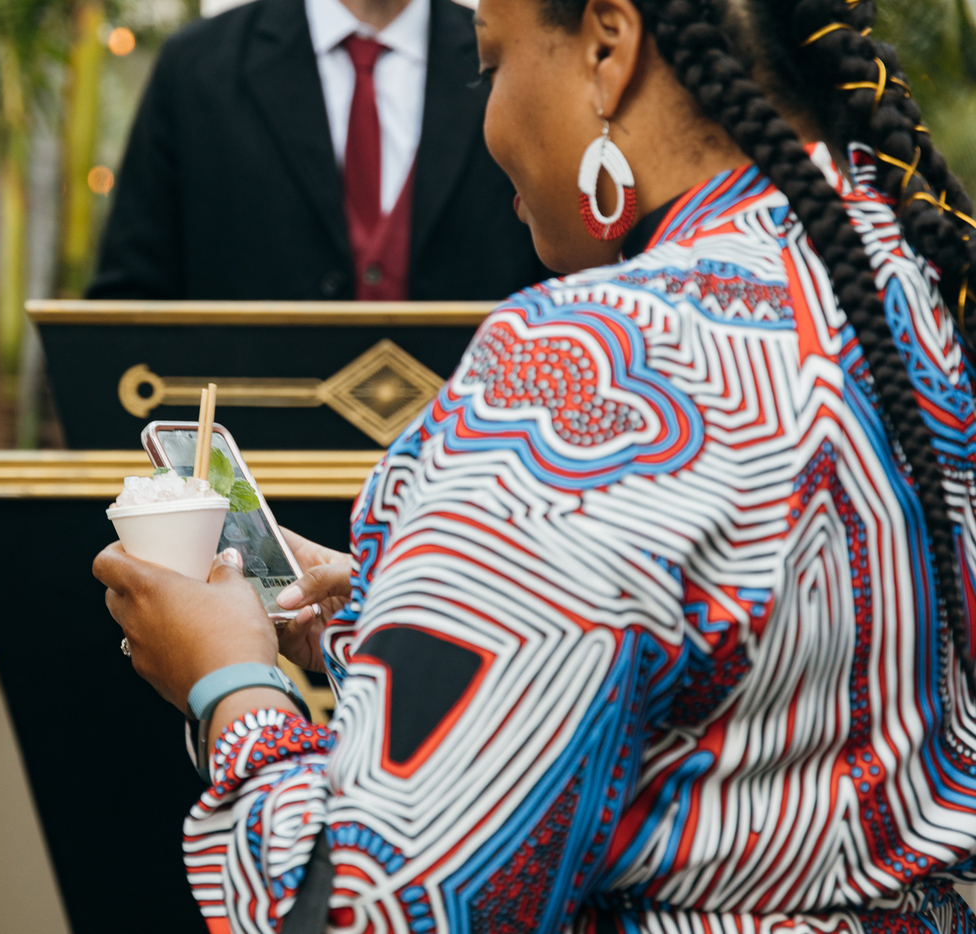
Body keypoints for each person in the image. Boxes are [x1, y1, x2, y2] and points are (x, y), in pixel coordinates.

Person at [94, 0, 976, 926]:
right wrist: (402, 610)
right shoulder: (908, 290)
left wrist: (232, 683)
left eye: (490, 65)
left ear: (608, 45)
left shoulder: (599, 366)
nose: (486, 122)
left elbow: (377, 905)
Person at [86, 0, 549, 301]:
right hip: (259, 438)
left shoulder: (520, 59)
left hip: (472, 440)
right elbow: (130, 299)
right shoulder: (195, 69)